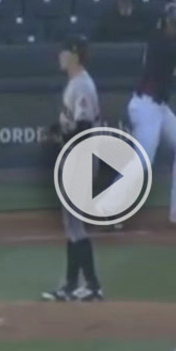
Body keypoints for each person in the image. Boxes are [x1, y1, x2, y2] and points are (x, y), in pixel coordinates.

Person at [128, 2, 176, 225]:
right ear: (164, 22)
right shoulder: (161, 43)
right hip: (146, 107)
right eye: (171, 23)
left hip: (159, 107)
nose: (174, 27)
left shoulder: (169, 37)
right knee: (143, 161)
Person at [42, 35, 104, 302]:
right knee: (71, 224)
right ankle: (71, 284)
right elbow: (72, 123)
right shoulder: (75, 83)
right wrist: (55, 130)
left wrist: (61, 137)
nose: (60, 56)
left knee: (75, 224)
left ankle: (91, 285)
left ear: (75, 56)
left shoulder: (83, 85)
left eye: (65, 52)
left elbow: (84, 127)